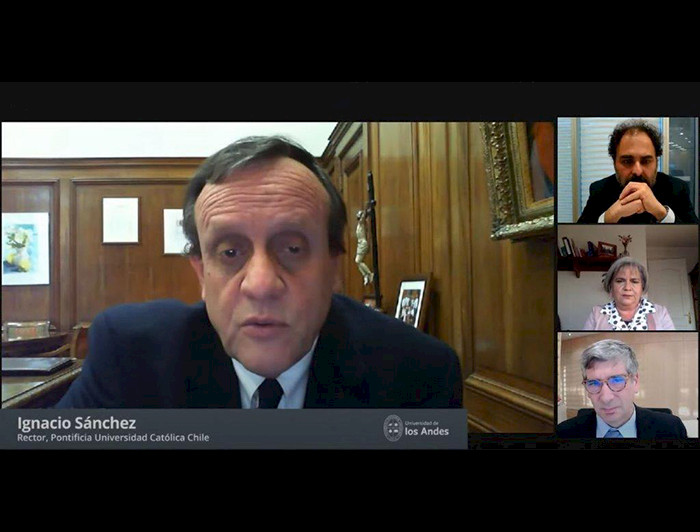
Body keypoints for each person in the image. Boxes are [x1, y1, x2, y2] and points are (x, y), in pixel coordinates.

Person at [56, 136, 462, 409]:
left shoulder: (416, 374)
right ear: (201, 274)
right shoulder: (130, 357)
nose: (262, 284)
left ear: (333, 268)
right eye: (230, 252)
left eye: (292, 249)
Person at [557, 339, 687, 438]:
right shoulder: (564, 432)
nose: (606, 398)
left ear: (635, 382)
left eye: (617, 380)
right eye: (594, 383)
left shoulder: (671, 428)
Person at [577, 119, 699, 224]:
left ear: (656, 161)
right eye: (627, 161)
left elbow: (694, 239)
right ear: (614, 162)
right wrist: (608, 218)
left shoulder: (677, 189)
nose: (637, 171)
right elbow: (577, 238)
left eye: (646, 161)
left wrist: (662, 213)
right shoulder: (599, 190)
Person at [583, 257, 675, 330]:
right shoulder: (596, 313)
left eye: (634, 281)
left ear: (642, 287)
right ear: (611, 286)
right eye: (620, 281)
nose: (627, 287)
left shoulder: (660, 312)